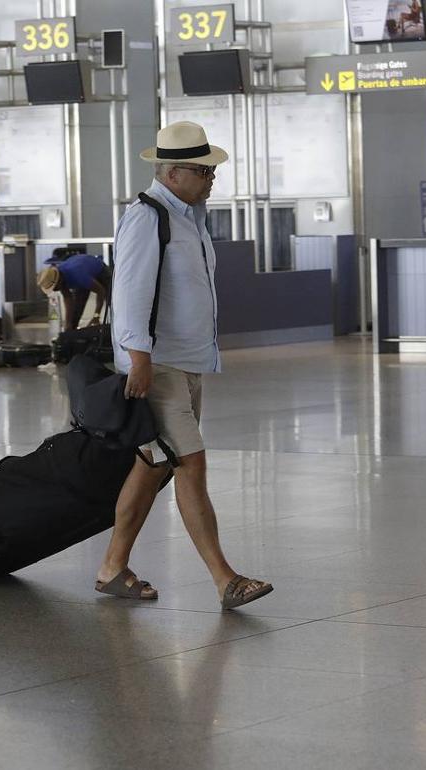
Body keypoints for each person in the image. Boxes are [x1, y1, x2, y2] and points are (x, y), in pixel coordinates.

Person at [95, 121, 273, 610]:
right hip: (160, 364)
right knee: (190, 463)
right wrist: (139, 358)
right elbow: (130, 290)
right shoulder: (148, 217)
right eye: (202, 170)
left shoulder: (189, 217)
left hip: (186, 361)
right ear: (173, 174)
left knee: (155, 465)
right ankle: (225, 579)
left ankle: (112, 566)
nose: (211, 178)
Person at [36, 253, 110, 332]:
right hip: (83, 273)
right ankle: (71, 336)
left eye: (55, 287)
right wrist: (68, 324)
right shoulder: (59, 278)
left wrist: (96, 316)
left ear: (59, 280)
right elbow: (68, 299)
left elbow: (101, 291)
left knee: (112, 303)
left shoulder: (78, 275)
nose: (54, 290)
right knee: (76, 311)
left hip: (100, 271)